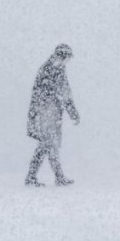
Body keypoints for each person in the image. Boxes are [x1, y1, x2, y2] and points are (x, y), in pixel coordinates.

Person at [25, 44, 81, 187]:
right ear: (63, 56)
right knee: (47, 145)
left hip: (51, 114)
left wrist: (71, 111)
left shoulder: (56, 68)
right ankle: (35, 177)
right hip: (47, 114)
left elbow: (64, 93)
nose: (68, 61)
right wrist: (72, 112)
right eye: (68, 58)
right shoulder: (50, 69)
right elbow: (58, 94)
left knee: (50, 146)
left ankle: (56, 177)